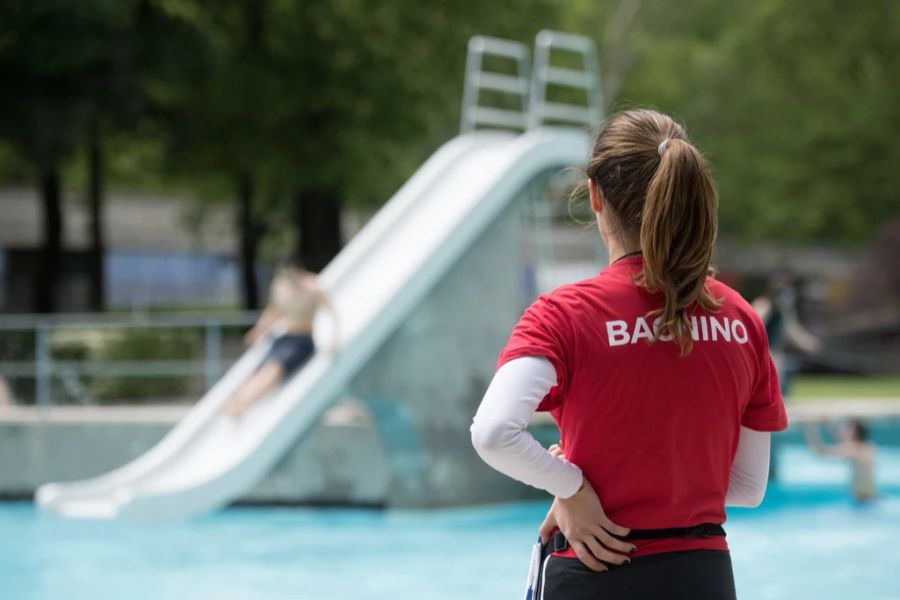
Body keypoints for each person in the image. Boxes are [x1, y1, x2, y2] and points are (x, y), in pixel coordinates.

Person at [471, 109, 788, 599]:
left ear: (595, 194)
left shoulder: (565, 314)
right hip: (702, 577)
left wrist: (574, 485)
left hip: (597, 568)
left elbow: (493, 433)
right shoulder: (740, 319)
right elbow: (749, 486)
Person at [222, 259, 339, 417]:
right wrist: (258, 331)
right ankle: (236, 399)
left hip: (302, 340)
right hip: (285, 337)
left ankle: (244, 402)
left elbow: (332, 313)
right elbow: (275, 312)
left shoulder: (312, 286)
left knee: (273, 369)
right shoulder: (282, 286)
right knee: (260, 369)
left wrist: (334, 338)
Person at [804, 419, 877, 503]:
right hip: (871, 499)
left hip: (863, 502)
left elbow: (822, 452)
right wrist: (828, 423)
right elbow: (841, 442)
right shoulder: (869, 447)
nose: (844, 431)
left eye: (847, 429)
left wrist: (809, 429)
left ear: (854, 434)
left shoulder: (854, 450)